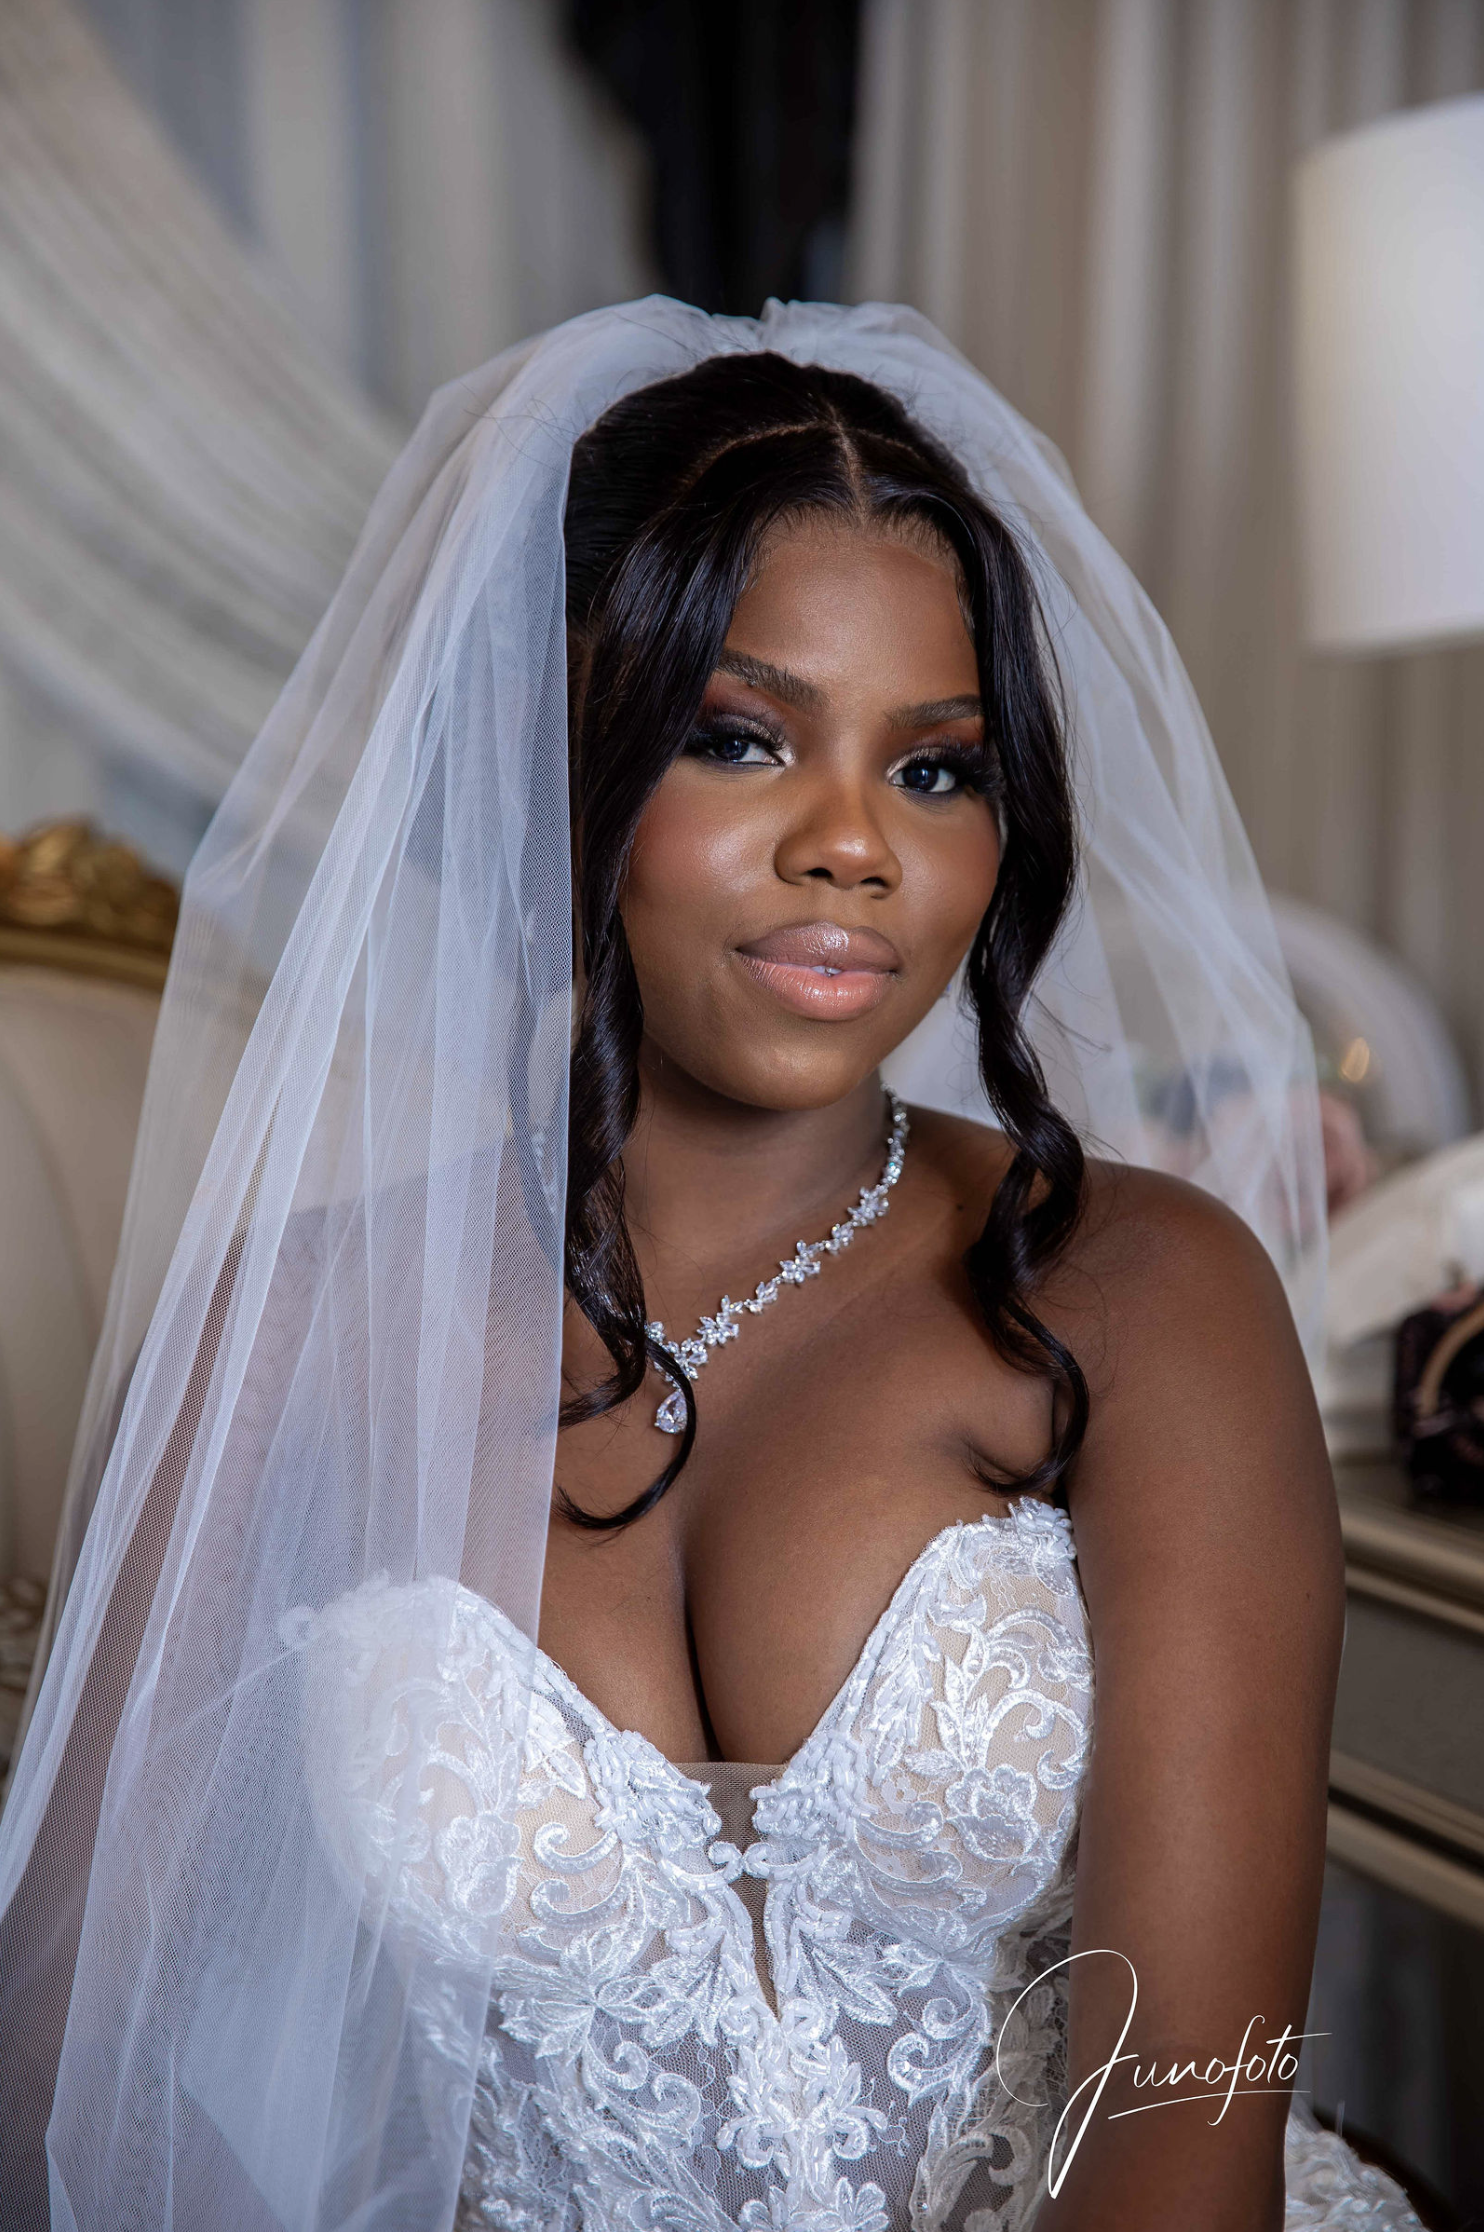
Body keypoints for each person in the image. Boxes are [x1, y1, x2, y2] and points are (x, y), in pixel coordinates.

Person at [0, 300, 1422, 2231]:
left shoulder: (1145, 1297)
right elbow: (64, 2061)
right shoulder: (299, 1326)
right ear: (554, 760)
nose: (854, 847)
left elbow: (1185, 2132)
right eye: (741, 740)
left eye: (937, 771)